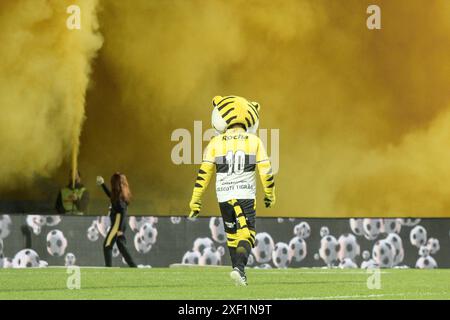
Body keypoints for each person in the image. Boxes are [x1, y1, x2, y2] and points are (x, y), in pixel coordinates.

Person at [189, 95, 276, 286]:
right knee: (247, 234)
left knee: (232, 235)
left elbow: (203, 174)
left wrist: (195, 201)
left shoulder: (215, 142)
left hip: (224, 195)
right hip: (244, 194)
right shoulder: (254, 141)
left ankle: (239, 274)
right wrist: (270, 195)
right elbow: (266, 171)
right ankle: (239, 269)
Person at [96, 173, 136, 267]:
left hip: (117, 223)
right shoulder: (120, 194)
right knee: (122, 246)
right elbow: (111, 196)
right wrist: (102, 184)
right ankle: (134, 267)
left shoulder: (119, 197)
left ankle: (109, 269)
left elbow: (122, 212)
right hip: (119, 223)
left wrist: (120, 230)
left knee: (107, 245)